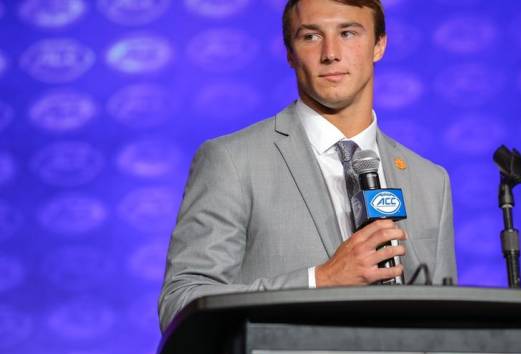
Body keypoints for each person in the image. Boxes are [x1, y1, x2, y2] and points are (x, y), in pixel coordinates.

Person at [158, 0, 457, 331]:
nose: (331, 53)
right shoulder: (233, 160)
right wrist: (320, 280)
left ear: (379, 45)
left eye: (348, 33)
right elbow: (182, 302)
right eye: (311, 37)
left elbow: (444, 326)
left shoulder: (430, 180)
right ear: (289, 52)